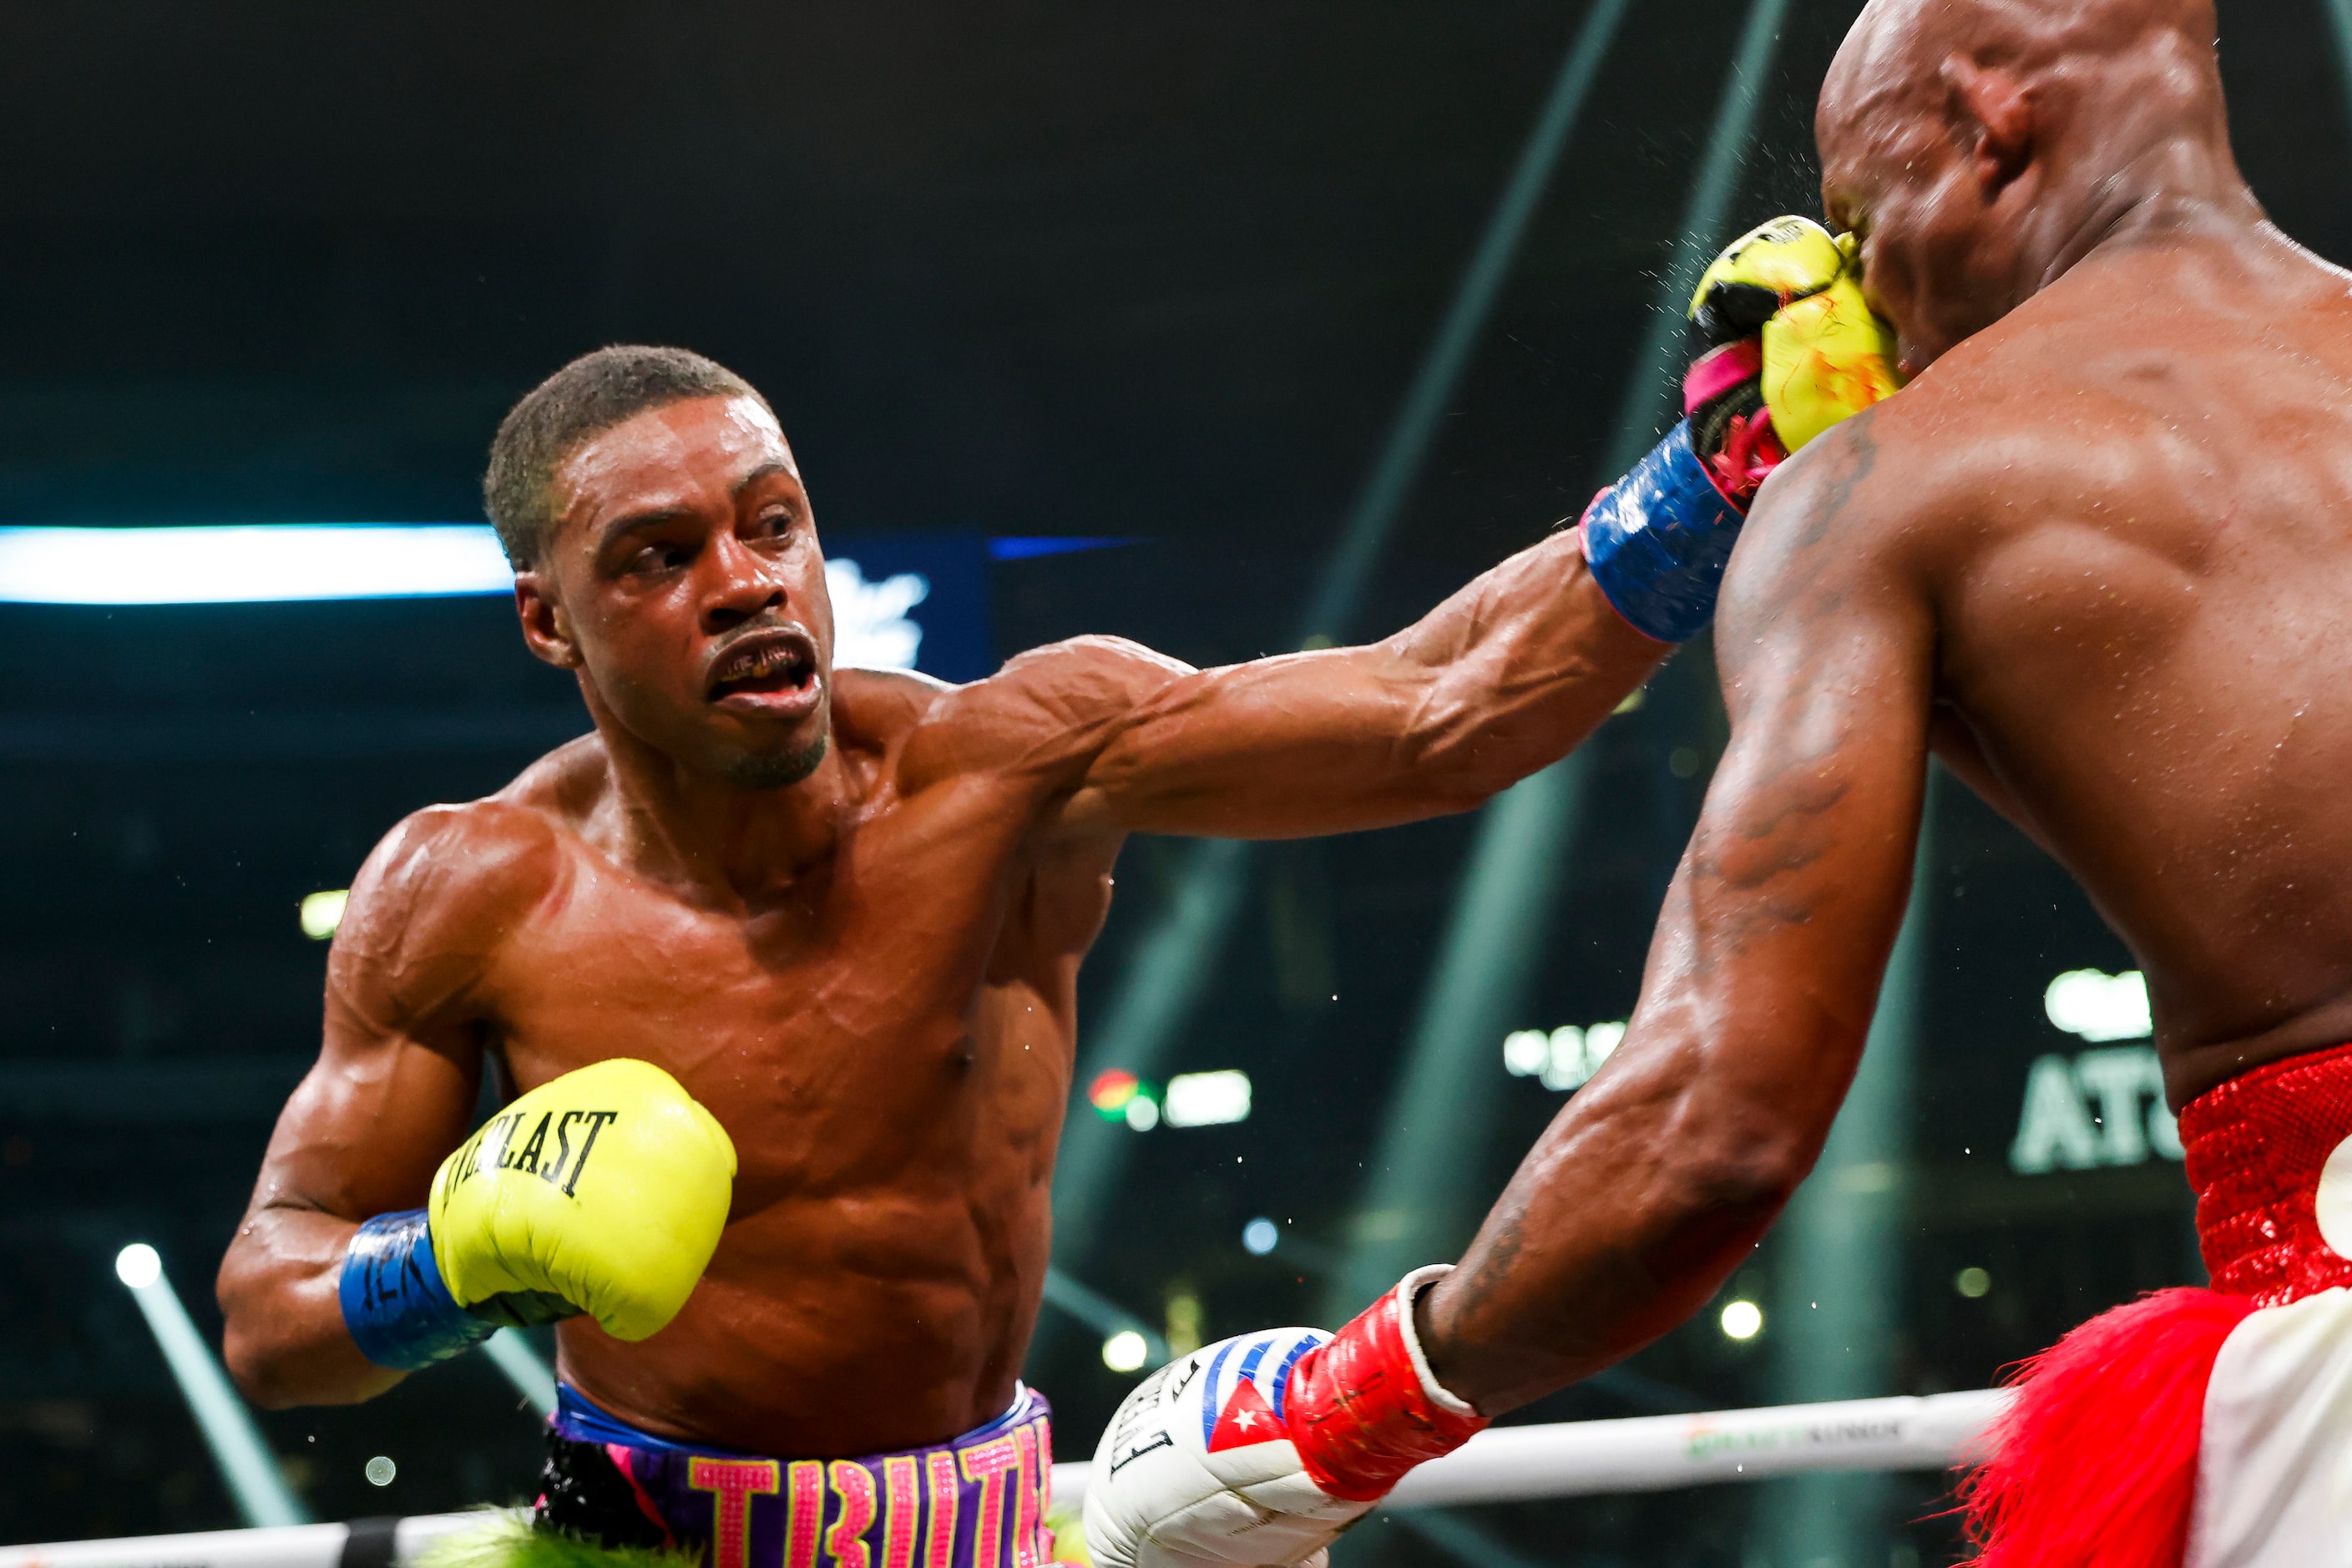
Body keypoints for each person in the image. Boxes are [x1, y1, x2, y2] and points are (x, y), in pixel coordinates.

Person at [216, 230, 1880, 1568]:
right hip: (644, 1540)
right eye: (654, 559)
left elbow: (1434, 710)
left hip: (1001, 1528)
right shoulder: (467, 894)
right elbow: (273, 1316)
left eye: (769, 526)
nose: (741, 583)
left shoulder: (1004, 769)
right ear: (547, 625)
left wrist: (1713, 470)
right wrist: (442, 1267)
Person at [1082, 3, 2352, 1565]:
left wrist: (1344, 1406)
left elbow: (1715, 1128)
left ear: (1984, 122)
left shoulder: (1894, 491)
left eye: (1852, 215)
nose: (1858, 281)